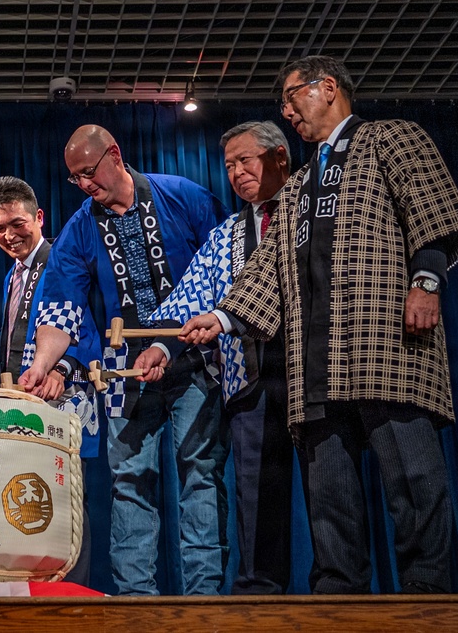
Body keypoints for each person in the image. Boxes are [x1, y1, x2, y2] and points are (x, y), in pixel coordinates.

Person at [180, 56, 458, 594]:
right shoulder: (299, 185)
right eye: (284, 105)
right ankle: (338, 598)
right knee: (329, 496)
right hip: (314, 365)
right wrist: (221, 317)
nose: (288, 111)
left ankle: (429, 597)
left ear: (328, 87)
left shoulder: (391, 138)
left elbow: (430, 213)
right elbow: (267, 267)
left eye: (293, 98)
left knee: (413, 480)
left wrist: (425, 283)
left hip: (386, 343)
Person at [19, 125, 229, 596]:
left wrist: (179, 341)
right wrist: (43, 363)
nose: (85, 185)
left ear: (114, 155)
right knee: (130, 481)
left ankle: (205, 600)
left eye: (89, 173)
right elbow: (61, 306)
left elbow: (225, 270)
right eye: (75, 179)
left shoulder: (181, 196)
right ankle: (135, 602)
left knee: (200, 474)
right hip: (123, 371)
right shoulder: (79, 228)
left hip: (195, 360)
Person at [148, 121, 300, 594]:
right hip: (249, 376)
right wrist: (161, 344)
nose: (236, 172)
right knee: (256, 492)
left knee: (330, 486)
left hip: (315, 371)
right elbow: (189, 297)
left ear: (279, 157)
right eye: (229, 165)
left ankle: (342, 593)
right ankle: (259, 593)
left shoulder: (313, 211)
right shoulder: (229, 232)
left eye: (245, 160)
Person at [0, 175, 98, 586]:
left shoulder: (62, 259)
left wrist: (64, 368)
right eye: (0, 228)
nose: (10, 235)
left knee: (67, 501)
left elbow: (90, 323)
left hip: (63, 400)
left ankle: (72, 592)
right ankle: (35, 591)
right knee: (31, 500)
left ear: (39, 218)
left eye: (18, 224)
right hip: (22, 402)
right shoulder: (12, 275)